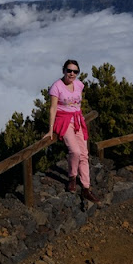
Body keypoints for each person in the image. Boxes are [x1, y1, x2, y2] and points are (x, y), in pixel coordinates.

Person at [45, 59, 100, 203]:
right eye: (69, 70)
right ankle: (72, 177)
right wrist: (50, 130)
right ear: (63, 70)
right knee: (74, 151)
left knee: (84, 154)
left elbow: (78, 104)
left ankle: (86, 188)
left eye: (75, 71)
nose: (72, 73)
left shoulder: (79, 85)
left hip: (78, 120)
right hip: (63, 121)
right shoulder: (56, 87)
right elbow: (53, 108)